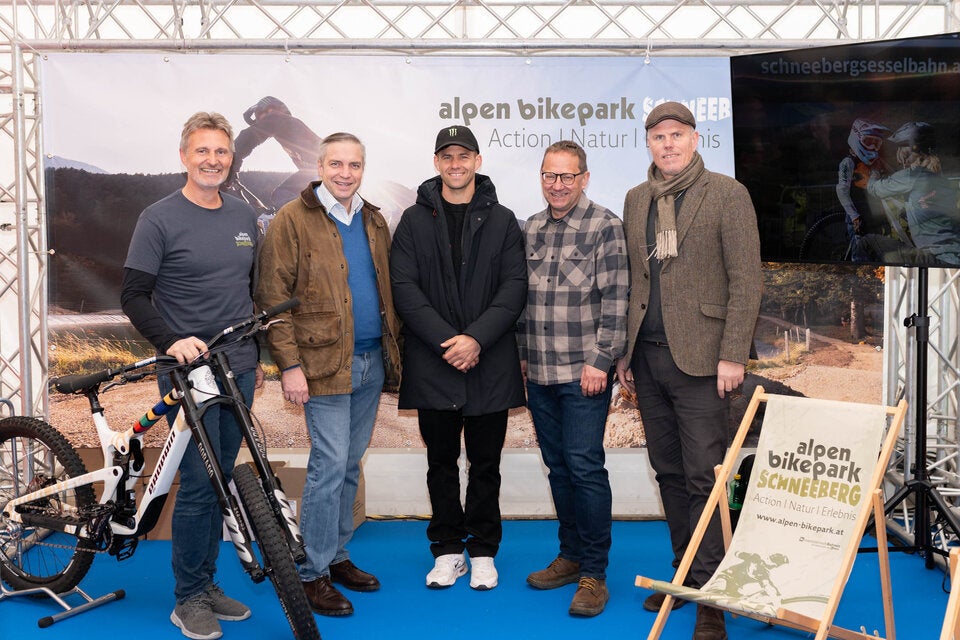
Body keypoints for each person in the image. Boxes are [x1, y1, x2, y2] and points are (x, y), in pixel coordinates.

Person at [615, 102, 762, 640]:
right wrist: (625, 354)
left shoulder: (727, 194)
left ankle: (712, 599)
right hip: (648, 360)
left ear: (696, 139)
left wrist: (732, 355)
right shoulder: (637, 200)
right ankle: (685, 576)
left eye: (677, 135)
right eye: (658, 137)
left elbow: (746, 280)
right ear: (648, 144)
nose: (668, 145)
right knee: (669, 473)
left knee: (705, 477)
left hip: (704, 361)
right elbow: (637, 282)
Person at [120, 111, 262, 640]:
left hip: (239, 367)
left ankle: (206, 580)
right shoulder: (158, 218)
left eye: (221, 152)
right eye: (202, 151)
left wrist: (259, 359)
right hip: (188, 372)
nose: (213, 160)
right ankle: (188, 598)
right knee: (200, 484)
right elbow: (133, 293)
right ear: (184, 156)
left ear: (231, 158)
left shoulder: (245, 216)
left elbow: (249, 292)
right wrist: (171, 342)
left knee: (221, 479)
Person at [255, 131, 401, 617]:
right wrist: (290, 366)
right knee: (328, 464)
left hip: (370, 361)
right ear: (318, 166)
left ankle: (337, 556)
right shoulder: (291, 220)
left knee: (349, 463)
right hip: (319, 366)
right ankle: (312, 573)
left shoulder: (374, 219)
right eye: (335, 163)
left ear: (363, 168)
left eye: (354, 165)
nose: (345, 173)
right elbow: (272, 298)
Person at [389, 125, 527, 591]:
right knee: (441, 464)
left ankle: (484, 550)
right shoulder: (412, 220)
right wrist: (451, 342)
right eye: (446, 156)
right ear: (436, 163)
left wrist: (476, 341)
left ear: (477, 161)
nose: (455, 164)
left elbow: (514, 289)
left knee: (486, 465)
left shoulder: (504, 219)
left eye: (463, 155)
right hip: (434, 362)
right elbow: (405, 290)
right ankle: (448, 549)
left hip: (488, 362)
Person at [520, 140, 628, 617]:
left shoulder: (605, 225)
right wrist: (522, 357)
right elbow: (524, 298)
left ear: (584, 178)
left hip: (583, 372)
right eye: (549, 176)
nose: (557, 185)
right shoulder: (532, 228)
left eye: (566, 176)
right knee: (558, 466)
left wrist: (600, 362)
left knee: (584, 467)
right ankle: (570, 555)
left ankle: (594, 574)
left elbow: (617, 301)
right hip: (539, 370)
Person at [864, 121, 960, 266]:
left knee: (866, 242)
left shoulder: (911, 176)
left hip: (935, 258)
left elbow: (875, 189)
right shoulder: (941, 179)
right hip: (954, 257)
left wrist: (874, 172)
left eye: (900, 148)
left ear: (907, 149)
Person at [227, 96, 322, 210]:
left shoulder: (277, 118)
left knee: (283, 194)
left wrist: (229, 161)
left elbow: (247, 138)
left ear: (269, 109)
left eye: (259, 117)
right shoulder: (290, 132)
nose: (260, 122)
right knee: (287, 196)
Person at [836, 118, 891, 261]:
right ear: (856, 139)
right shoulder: (848, 162)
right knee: (859, 251)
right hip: (858, 213)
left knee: (875, 250)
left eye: (876, 143)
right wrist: (854, 216)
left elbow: (893, 175)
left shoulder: (876, 162)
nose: (872, 147)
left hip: (874, 213)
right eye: (868, 141)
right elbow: (842, 190)